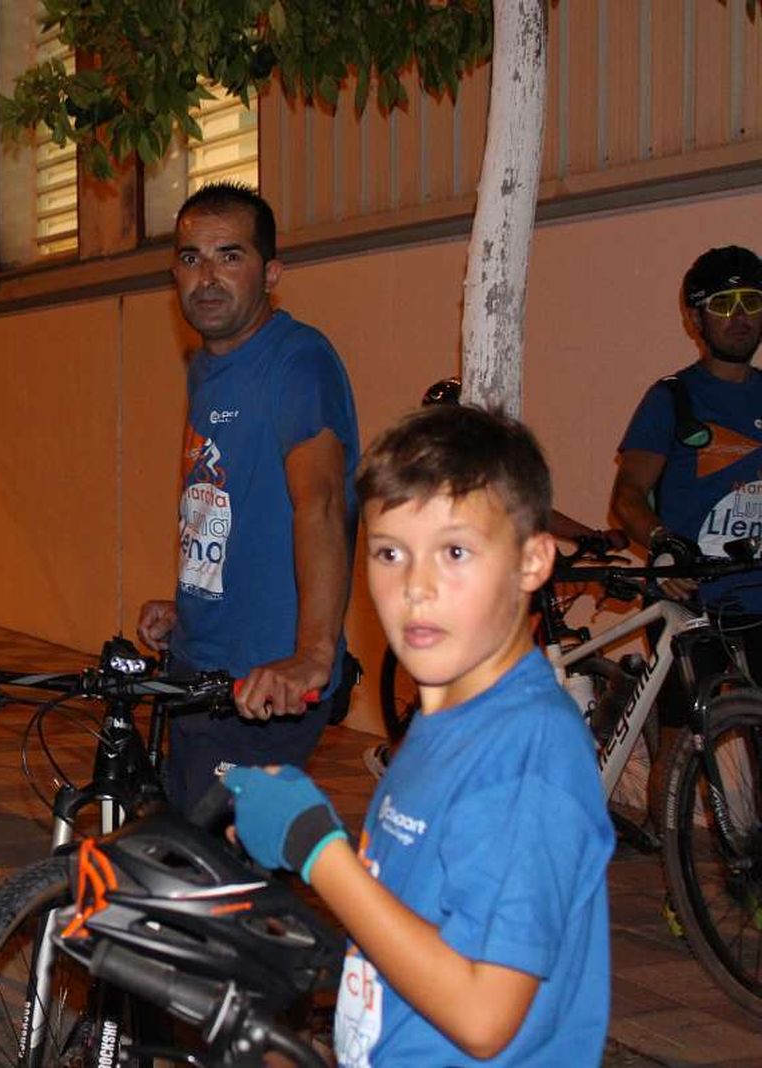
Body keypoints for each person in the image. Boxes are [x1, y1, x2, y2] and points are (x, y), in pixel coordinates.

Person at [221, 405, 613, 1064]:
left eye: (455, 551)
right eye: (389, 552)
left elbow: (484, 1015)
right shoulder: (448, 716)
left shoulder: (527, 753)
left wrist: (319, 852)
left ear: (532, 560)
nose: (416, 588)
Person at [136, 182, 359, 810]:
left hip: (267, 681)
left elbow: (319, 505)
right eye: (189, 259)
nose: (206, 277)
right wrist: (193, 603)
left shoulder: (296, 363)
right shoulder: (208, 368)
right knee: (188, 871)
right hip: (199, 665)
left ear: (272, 272)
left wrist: (313, 655)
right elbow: (226, 505)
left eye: (229, 256)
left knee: (212, 879)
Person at [611, 245, 762, 684]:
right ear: (695, 320)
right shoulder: (671, 399)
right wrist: (662, 544)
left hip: (757, 601)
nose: (740, 316)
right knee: (687, 745)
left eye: (751, 302)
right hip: (691, 600)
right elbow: (628, 496)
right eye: (722, 305)